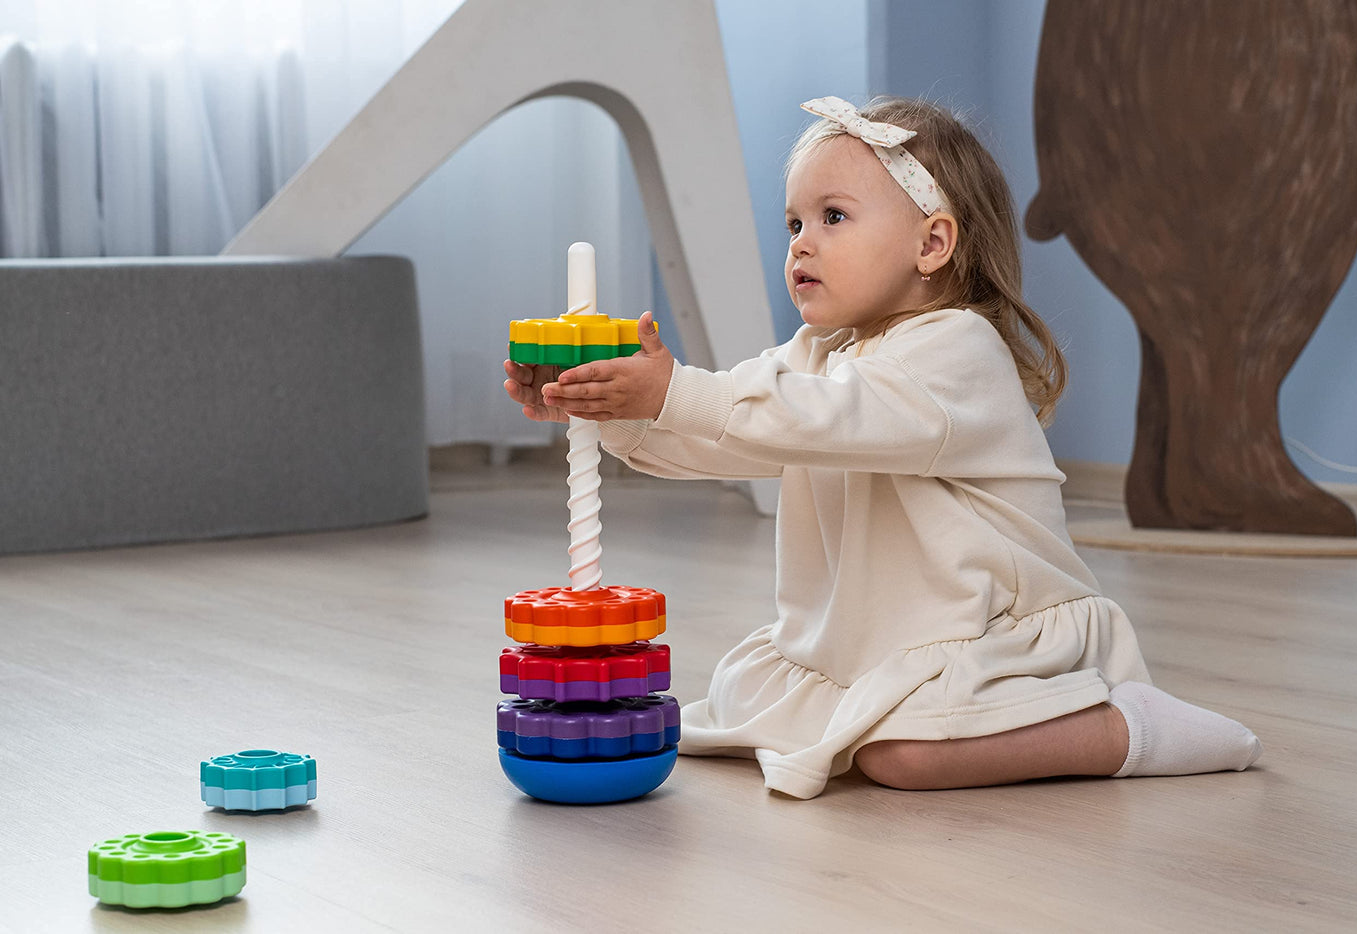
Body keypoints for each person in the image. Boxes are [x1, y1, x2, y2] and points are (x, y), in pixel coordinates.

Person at [503, 95, 1261, 800]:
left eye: (833, 217)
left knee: (904, 758)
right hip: (875, 637)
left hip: (991, 633)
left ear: (933, 243)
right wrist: (614, 414)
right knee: (742, 704)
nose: (802, 244)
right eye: (794, 223)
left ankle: (1126, 725)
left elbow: (832, 419)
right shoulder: (821, 353)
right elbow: (739, 436)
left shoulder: (958, 349)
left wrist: (673, 389)